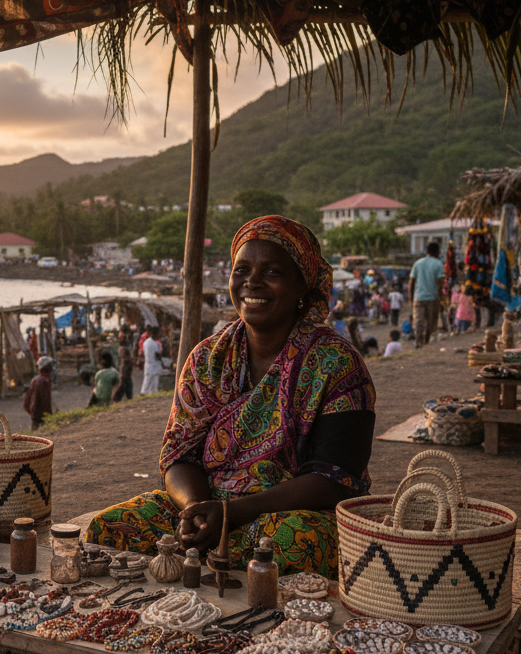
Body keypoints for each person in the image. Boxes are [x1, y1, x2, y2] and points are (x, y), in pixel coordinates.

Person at [87, 214, 375, 583]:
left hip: (291, 514)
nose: (252, 282)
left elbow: (335, 477)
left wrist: (234, 512)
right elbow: (179, 455)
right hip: (210, 505)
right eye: (242, 270)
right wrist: (196, 510)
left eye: (271, 271)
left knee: (291, 543)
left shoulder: (337, 365)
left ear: (303, 285)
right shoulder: (208, 359)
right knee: (109, 527)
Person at [409, 242, 446, 348]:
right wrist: (441, 296)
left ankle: (418, 341)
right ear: (437, 251)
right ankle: (426, 339)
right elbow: (440, 283)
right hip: (432, 297)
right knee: (431, 321)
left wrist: (411, 297)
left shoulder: (417, 263)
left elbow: (411, 282)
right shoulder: (438, 264)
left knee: (418, 320)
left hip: (418, 297)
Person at [23, 356, 54, 430]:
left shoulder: (35, 380)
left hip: (35, 414)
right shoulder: (44, 381)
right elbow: (45, 401)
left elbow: (27, 400)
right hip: (42, 416)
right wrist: (49, 415)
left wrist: (31, 411)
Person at [140, 326, 164, 395]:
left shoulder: (146, 342)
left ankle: (145, 394)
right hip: (154, 365)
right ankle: (145, 394)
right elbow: (158, 355)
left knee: (148, 382)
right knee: (152, 384)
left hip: (148, 365)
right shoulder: (155, 344)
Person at [113, 329, 134, 402]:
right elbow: (126, 360)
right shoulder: (123, 349)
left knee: (127, 385)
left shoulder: (124, 348)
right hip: (125, 369)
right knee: (123, 385)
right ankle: (116, 398)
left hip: (126, 369)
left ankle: (127, 398)